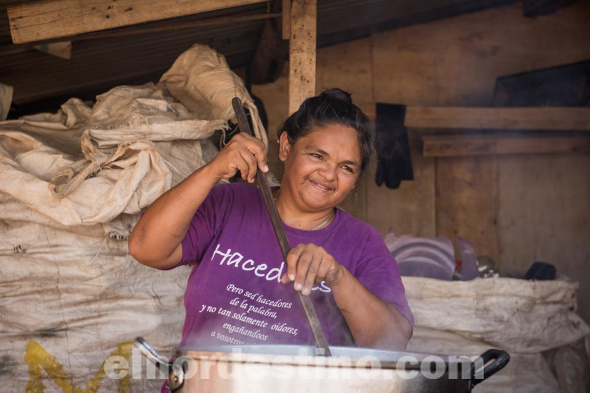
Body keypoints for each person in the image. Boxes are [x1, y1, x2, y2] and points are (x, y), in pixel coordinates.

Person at [129, 88, 413, 354]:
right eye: (317, 155)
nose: (328, 175)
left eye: (346, 168)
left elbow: (392, 342)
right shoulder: (229, 204)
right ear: (286, 147)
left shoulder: (362, 244)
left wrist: (336, 276)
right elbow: (145, 248)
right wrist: (213, 170)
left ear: (355, 181)